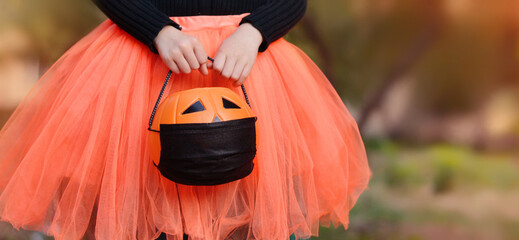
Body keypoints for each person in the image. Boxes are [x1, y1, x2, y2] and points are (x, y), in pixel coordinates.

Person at [0, 0, 372, 239]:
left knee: (251, 217)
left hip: (248, 61)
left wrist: (254, 31)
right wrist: (156, 30)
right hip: (143, 61)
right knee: (140, 213)